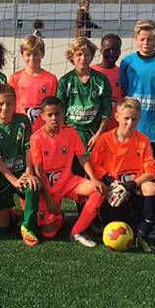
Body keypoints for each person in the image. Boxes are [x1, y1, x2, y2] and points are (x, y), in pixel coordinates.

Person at [29, 96, 106, 247]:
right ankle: (59, 218)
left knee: (99, 190)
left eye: (57, 114)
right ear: (42, 116)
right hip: (48, 189)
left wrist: (94, 179)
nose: (54, 118)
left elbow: (83, 158)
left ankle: (77, 231)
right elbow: (38, 172)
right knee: (49, 233)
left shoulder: (71, 133)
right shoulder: (36, 138)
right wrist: (49, 199)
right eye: (50, 115)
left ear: (63, 114)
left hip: (67, 182)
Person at [89, 97, 155, 253]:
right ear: (117, 117)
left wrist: (129, 186)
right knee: (118, 224)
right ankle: (106, 221)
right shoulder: (105, 140)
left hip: (133, 188)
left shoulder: (142, 140)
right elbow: (94, 165)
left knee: (152, 188)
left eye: (134, 119)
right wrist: (111, 183)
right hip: (114, 190)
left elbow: (151, 170)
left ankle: (144, 235)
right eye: (126, 118)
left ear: (140, 119)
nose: (130, 123)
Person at [0, 84, 42, 242]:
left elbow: (29, 148)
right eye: (0, 103)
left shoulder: (23, 120)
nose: (4, 107)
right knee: (0, 229)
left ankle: (27, 226)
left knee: (33, 185)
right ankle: (5, 211)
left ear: (15, 104)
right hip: (1, 178)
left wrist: (28, 172)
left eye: (9, 103)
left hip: (22, 172)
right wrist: (14, 181)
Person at [119, 19, 155, 146]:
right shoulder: (128, 62)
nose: (146, 43)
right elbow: (125, 89)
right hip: (133, 127)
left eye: (150, 39)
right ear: (136, 39)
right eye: (142, 39)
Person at [56, 37, 112, 149]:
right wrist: (63, 135)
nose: (83, 58)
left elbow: (107, 110)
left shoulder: (101, 80)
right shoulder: (65, 81)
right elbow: (59, 110)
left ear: (92, 57)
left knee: (92, 165)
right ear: (72, 56)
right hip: (71, 132)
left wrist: (98, 134)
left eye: (87, 54)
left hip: (93, 134)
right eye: (79, 54)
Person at [9, 34, 58, 133]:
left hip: (44, 131)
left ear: (42, 54)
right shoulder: (15, 78)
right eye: (28, 54)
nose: (32, 58)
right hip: (20, 129)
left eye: (35, 54)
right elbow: (11, 104)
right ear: (22, 55)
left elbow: (54, 106)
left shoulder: (51, 79)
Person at [90, 33, 124, 132]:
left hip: (115, 127)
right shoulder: (91, 71)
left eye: (115, 50)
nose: (111, 53)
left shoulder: (122, 73)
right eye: (108, 50)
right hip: (94, 128)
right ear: (101, 50)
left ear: (120, 52)